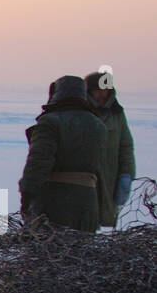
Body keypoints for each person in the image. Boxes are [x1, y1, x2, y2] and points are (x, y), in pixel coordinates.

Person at [18, 76, 108, 232]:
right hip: (88, 203)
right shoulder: (98, 125)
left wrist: (27, 196)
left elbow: (38, 163)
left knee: (49, 253)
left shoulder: (50, 122)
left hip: (55, 203)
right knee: (82, 254)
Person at [85, 71, 136, 228]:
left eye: (105, 90)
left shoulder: (117, 114)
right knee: (81, 225)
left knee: (104, 223)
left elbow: (125, 146)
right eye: (98, 90)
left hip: (109, 179)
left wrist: (126, 174)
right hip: (84, 180)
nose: (102, 94)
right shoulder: (81, 113)